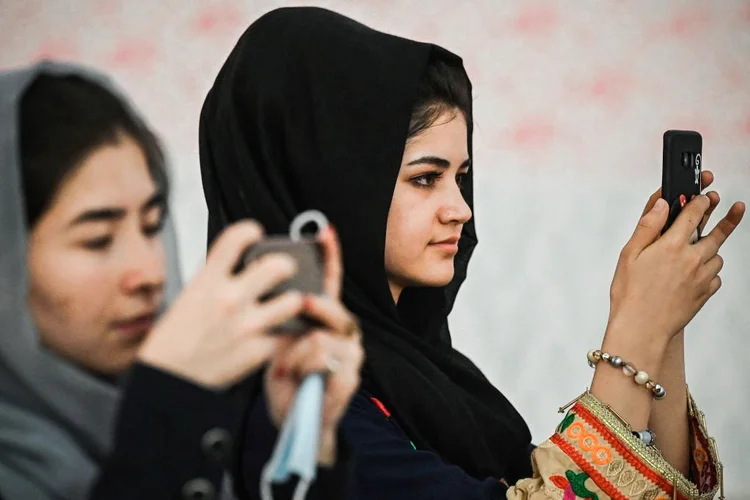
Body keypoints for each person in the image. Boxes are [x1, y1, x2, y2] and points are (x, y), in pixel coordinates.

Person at [199, 7, 745, 499]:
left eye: (461, 177)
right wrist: (635, 329)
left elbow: (651, 488)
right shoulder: (296, 396)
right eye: (425, 178)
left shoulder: (427, 376)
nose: (460, 208)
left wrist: (664, 319)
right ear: (326, 183)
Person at [0, 61, 362, 500]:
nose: (150, 274)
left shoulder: (169, 419)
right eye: (97, 239)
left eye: (152, 227)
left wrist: (309, 440)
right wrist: (169, 405)